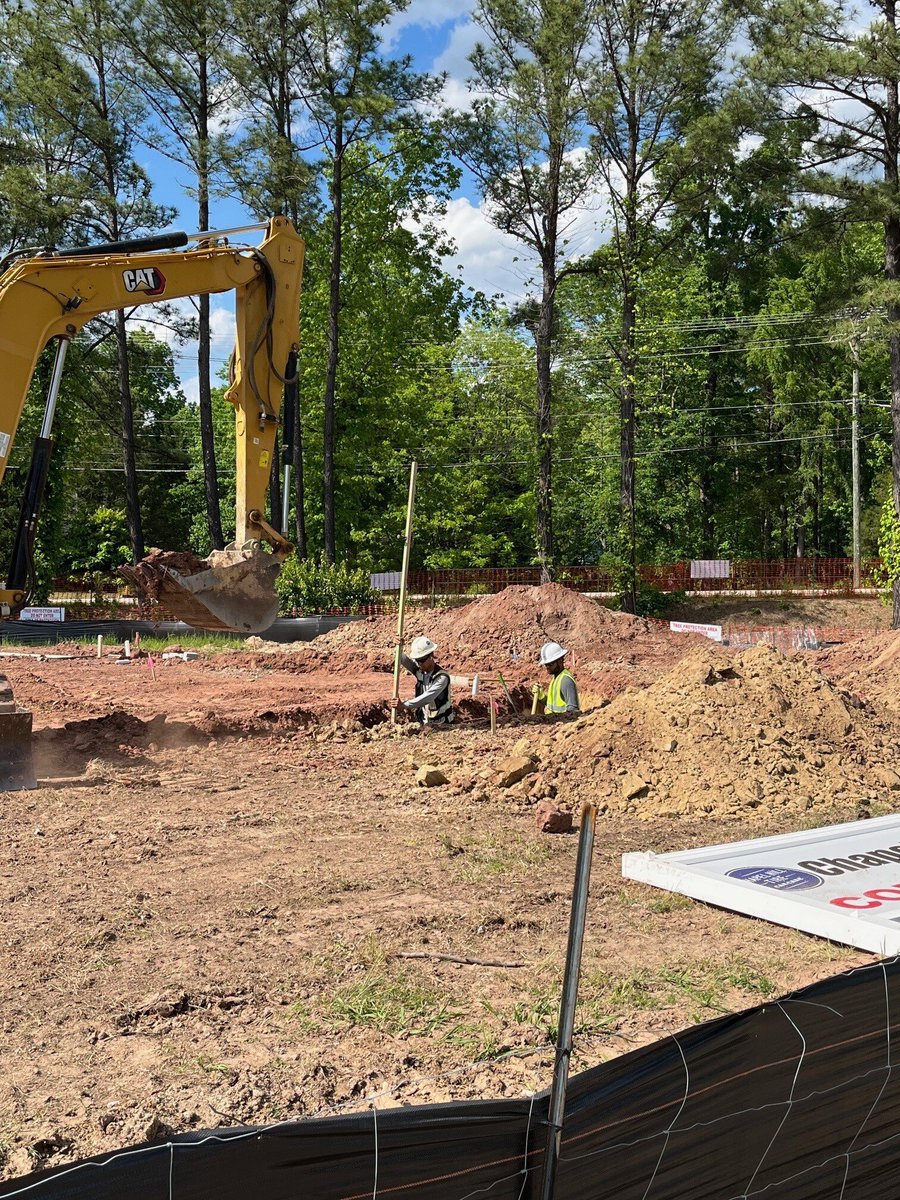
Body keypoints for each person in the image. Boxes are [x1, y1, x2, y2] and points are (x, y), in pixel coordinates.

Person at [391, 635, 454, 726]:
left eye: (422, 660)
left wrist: (404, 705)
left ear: (431, 656)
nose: (419, 663)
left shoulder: (442, 677)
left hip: (442, 725)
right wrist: (398, 647)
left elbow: (427, 698)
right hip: (424, 723)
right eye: (417, 660)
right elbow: (402, 659)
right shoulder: (420, 672)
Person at [538, 641, 580, 715]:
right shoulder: (556, 678)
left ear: (560, 661)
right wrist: (542, 697)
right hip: (554, 723)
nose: (547, 667)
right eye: (546, 665)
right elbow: (553, 706)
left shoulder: (565, 681)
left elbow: (573, 711)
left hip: (562, 724)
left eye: (550, 664)